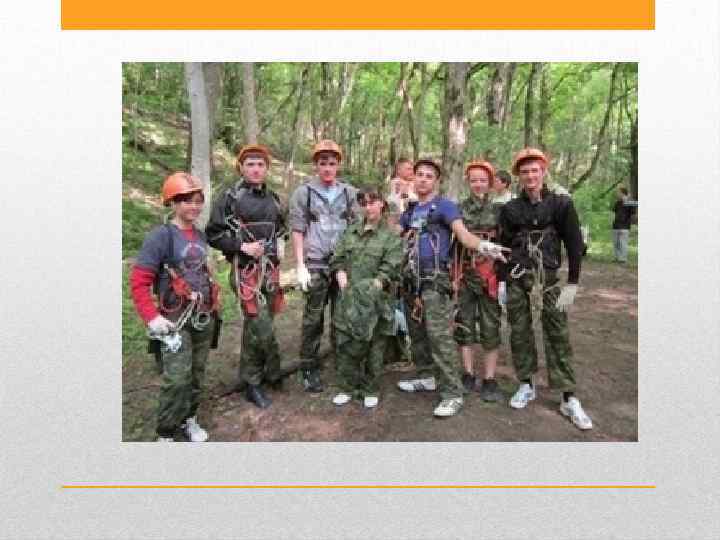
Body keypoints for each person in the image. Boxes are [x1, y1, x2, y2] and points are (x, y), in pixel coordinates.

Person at [396, 158, 507, 417]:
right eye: (419, 174)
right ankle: (427, 376)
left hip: (435, 279)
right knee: (417, 333)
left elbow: (462, 234)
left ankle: (453, 393)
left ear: (436, 181)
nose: (423, 179)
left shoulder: (445, 206)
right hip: (411, 279)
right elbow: (393, 234)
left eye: (429, 176)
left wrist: (483, 246)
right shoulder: (410, 210)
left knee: (439, 337)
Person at [499, 148, 592, 430]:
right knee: (520, 332)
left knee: (558, 334)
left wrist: (572, 284)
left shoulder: (561, 204)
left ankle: (568, 396)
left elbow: (574, 245)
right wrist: (502, 281)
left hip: (549, 281)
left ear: (543, 172)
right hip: (518, 279)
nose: (530, 176)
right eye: (524, 171)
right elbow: (503, 246)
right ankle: (526, 384)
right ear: (518, 176)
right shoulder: (511, 209)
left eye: (535, 170)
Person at [129, 172, 220, 442]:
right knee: (177, 378)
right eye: (186, 201)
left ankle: (189, 418)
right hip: (174, 320)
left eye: (198, 201)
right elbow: (139, 281)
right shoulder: (161, 237)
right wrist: (151, 318)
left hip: (203, 315)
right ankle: (166, 432)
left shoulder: (200, 236)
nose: (193, 206)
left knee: (197, 374)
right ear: (172, 203)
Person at [205, 144, 287, 409]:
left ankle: (260, 375)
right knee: (259, 325)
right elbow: (213, 234)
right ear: (241, 167)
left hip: (270, 272)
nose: (256, 169)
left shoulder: (274, 199)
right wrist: (241, 246)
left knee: (259, 327)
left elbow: (281, 229)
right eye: (250, 164)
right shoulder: (230, 197)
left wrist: (280, 244)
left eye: (260, 164)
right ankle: (257, 380)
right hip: (245, 273)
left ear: (267, 168)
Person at [289, 140, 359, 393]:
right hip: (316, 263)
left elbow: (358, 228)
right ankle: (309, 367)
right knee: (313, 318)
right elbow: (297, 229)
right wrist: (300, 265)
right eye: (322, 163)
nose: (327, 168)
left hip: (342, 265)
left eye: (332, 163)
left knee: (342, 316)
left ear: (338, 165)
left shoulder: (349, 193)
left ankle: (343, 363)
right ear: (316, 165)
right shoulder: (304, 193)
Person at [329, 187, 403, 408]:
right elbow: (338, 258)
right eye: (364, 203)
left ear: (382, 204)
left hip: (376, 300)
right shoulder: (350, 232)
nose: (368, 207)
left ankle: (371, 388)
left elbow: (390, 268)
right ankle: (347, 387)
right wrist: (341, 276)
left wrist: (374, 287)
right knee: (346, 343)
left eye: (372, 202)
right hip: (349, 298)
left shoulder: (390, 236)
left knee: (375, 345)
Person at [452, 160, 505, 402]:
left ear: (490, 182)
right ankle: (468, 373)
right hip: (465, 273)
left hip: (490, 274)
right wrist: (454, 275)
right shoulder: (458, 209)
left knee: (490, 325)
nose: (478, 184)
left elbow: (506, 241)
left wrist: (503, 276)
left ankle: (490, 378)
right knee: (464, 324)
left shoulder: (499, 210)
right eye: (474, 180)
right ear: (468, 182)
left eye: (483, 180)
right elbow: (454, 243)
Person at [611, 187, 636, 263]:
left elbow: (633, 213)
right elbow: (614, 213)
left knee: (623, 243)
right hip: (616, 225)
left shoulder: (630, 202)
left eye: (618, 192)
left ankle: (623, 259)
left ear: (622, 193)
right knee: (616, 243)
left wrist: (632, 224)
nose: (617, 194)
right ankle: (616, 257)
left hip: (625, 226)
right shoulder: (617, 202)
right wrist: (612, 221)